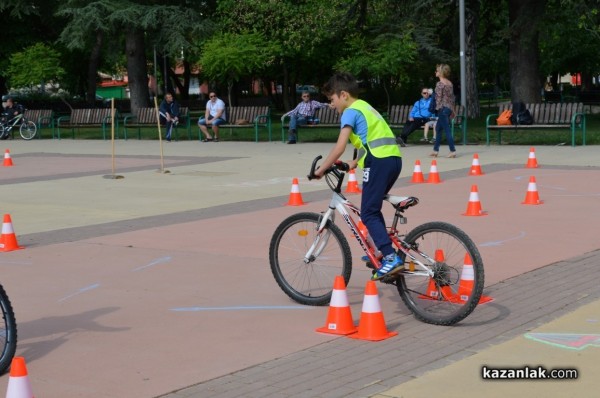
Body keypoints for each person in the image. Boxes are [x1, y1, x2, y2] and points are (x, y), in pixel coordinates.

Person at [315, 72, 403, 280]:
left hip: (379, 162)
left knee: (368, 214)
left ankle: (390, 258)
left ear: (343, 95)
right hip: (393, 160)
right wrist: (352, 164)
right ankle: (382, 249)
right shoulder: (365, 106)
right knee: (373, 208)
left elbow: (339, 147)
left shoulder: (350, 112)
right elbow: (370, 141)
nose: (332, 104)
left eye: (332, 99)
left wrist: (320, 170)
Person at [431, 64, 457, 158]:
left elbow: (438, 98)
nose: (435, 72)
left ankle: (452, 151)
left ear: (440, 73)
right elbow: (452, 98)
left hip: (442, 109)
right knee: (438, 128)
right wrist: (453, 110)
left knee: (447, 130)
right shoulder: (450, 83)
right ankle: (435, 150)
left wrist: (436, 109)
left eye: (437, 71)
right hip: (448, 108)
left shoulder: (439, 84)